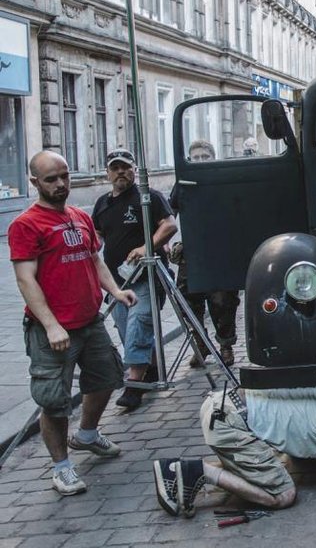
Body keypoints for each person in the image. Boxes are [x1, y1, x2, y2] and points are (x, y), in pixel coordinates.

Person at [8, 151, 138, 495]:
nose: (61, 184)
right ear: (35, 182)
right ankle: (61, 468)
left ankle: (88, 434)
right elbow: (26, 280)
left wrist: (116, 291)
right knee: (54, 400)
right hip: (52, 330)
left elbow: (94, 259)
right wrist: (51, 325)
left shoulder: (79, 215)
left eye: (64, 176)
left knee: (107, 377)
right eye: (52, 179)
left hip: (89, 320)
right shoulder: (25, 225)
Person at [152, 383, 316, 517]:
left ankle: (175, 469)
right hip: (228, 423)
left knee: (277, 465)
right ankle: (201, 471)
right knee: (283, 494)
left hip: (223, 403)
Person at [92, 148, 178, 409]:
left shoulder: (148, 196)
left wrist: (146, 248)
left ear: (135, 170)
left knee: (138, 326)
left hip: (147, 276)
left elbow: (170, 225)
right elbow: (97, 236)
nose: (121, 172)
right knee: (125, 327)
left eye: (126, 167)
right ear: (108, 173)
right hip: (117, 282)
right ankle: (151, 369)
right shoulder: (102, 204)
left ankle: (134, 384)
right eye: (116, 168)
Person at [169, 140, 241, 366]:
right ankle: (201, 343)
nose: (200, 161)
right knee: (186, 300)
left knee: (223, 302)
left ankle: (225, 345)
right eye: (195, 157)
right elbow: (170, 214)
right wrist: (167, 242)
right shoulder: (183, 183)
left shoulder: (223, 181)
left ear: (213, 157)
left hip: (221, 250)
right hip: (192, 252)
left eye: (204, 156)